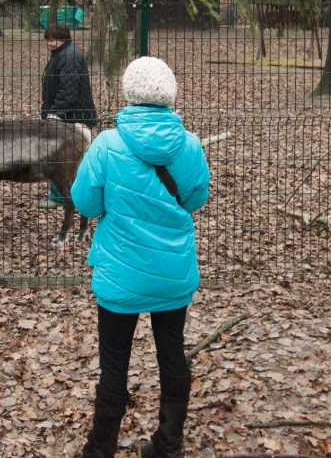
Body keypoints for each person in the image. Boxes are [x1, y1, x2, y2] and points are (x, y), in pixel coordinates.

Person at [70, 56, 210, 458]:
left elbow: (85, 202)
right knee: (172, 352)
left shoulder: (107, 145)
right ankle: (170, 442)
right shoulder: (190, 145)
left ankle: (101, 448)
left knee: (114, 363)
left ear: (129, 93)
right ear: (170, 95)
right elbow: (195, 199)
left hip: (120, 273)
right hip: (173, 271)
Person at [40, 22, 97, 208]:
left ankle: (60, 196)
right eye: (48, 39)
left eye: (54, 39)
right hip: (68, 115)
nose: (50, 43)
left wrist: (56, 114)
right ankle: (70, 195)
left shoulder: (69, 57)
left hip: (71, 118)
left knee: (60, 158)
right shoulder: (63, 54)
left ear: (65, 38)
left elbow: (68, 90)